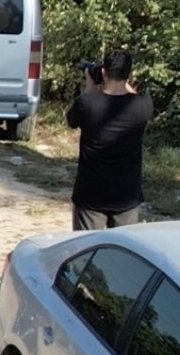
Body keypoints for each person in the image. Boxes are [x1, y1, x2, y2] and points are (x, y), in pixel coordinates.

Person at [66, 50, 154, 230]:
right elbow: (132, 95)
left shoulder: (87, 104)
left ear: (104, 72)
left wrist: (90, 86)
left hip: (91, 195)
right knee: (122, 252)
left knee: (87, 249)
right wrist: (123, 80)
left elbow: (71, 120)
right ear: (128, 75)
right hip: (126, 195)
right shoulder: (144, 104)